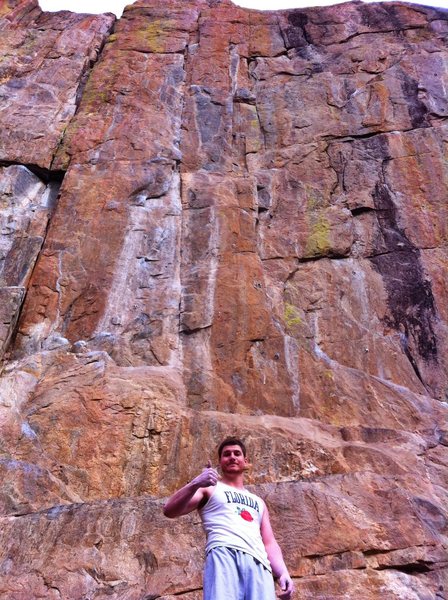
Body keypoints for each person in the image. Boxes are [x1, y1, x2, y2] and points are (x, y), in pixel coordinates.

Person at [163, 436, 295, 600]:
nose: (232, 457)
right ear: (220, 461)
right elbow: (169, 510)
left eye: (237, 453)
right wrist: (195, 483)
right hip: (224, 554)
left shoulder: (258, 502)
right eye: (227, 454)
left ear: (245, 460)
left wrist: (282, 572)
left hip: (259, 564)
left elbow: (269, 542)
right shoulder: (209, 489)